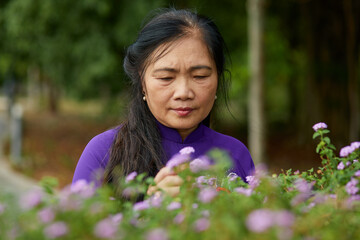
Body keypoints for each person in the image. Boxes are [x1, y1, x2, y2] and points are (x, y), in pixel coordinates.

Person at [72, 8, 254, 197]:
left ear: (217, 78)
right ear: (142, 82)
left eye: (200, 76)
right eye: (166, 77)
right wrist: (152, 207)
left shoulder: (236, 154)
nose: (183, 93)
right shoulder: (104, 152)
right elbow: (78, 225)